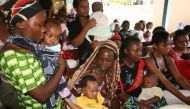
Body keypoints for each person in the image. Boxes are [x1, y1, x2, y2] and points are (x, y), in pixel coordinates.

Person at [0, 0, 66, 108]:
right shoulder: (14, 57)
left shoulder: (29, 43)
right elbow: (42, 95)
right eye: (40, 25)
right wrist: (61, 67)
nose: (44, 30)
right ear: (20, 24)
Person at [68, 40, 120, 109]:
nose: (103, 63)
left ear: (114, 61)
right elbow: (73, 99)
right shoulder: (85, 75)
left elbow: (110, 98)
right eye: (101, 58)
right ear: (96, 56)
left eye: (108, 60)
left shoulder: (111, 78)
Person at [144, 30, 190, 104]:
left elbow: (178, 77)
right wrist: (184, 98)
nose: (168, 47)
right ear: (155, 45)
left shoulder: (167, 58)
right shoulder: (149, 60)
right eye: (165, 45)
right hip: (158, 94)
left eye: (170, 44)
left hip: (172, 89)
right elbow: (164, 80)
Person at [118, 36, 146, 109]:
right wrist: (143, 107)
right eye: (136, 50)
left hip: (140, 96)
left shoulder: (141, 62)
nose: (140, 53)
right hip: (125, 100)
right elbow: (121, 96)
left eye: (141, 50)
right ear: (126, 51)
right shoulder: (119, 68)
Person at [67, 0, 96, 65]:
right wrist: (87, 26)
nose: (86, 9)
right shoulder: (72, 25)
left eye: (87, 6)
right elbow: (75, 44)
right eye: (82, 7)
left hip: (95, 61)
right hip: (80, 63)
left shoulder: (95, 21)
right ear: (76, 9)